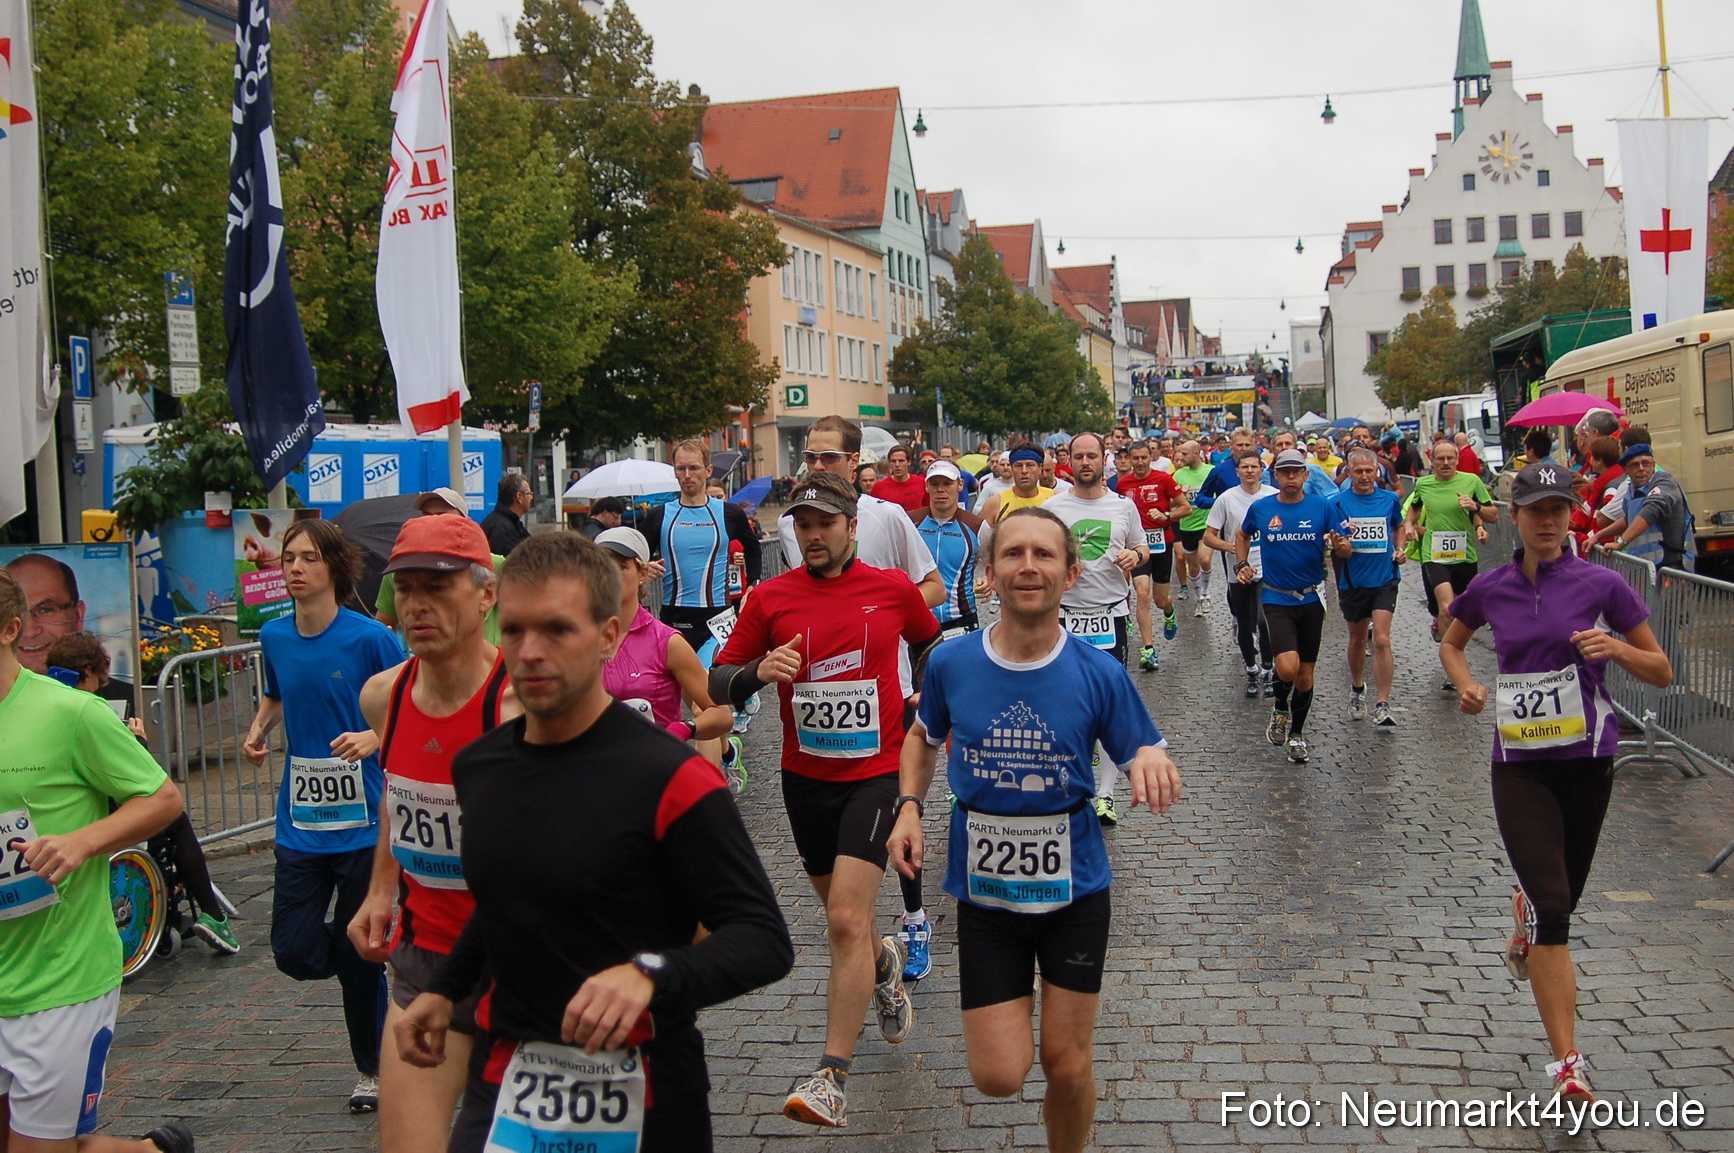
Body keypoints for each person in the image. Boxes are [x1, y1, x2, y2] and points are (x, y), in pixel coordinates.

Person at [394, 533, 794, 1153]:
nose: (529, 652)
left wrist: (648, 975)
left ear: (607, 636)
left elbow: (763, 941)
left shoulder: (674, 779)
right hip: (508, 1078)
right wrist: (445, 989)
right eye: (517, 629)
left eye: (557, 630)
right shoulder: (481, 767)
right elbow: (504, 903)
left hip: (646, 1088)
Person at [886, 508, 1181, 1153]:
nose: (1028, 566)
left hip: (1075, 893)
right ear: (988, 573)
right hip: (986, 897)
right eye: (1013, 554)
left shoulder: (1097, 671)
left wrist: (1151, 756)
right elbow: (921, 737)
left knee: (1068, 1064)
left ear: (1071, 573)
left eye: (1044, 555)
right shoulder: (951, 663)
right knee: (998, 1076)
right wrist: (909, 806)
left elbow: (1141, 746)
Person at [711, 474, 942, 1129]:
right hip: (805, 780)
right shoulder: (771, 597)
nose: (811, 534)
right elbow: (717, 679)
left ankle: (830, 1077)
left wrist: (928, 691)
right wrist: (759, 671)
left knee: (844, 917)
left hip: (876, 772)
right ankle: (884, 964)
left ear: (850, 526)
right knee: (851, 923)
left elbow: (928, 643)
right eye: (802, 523)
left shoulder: (891, 587)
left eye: (823, 523)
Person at [1440, 462, 1673, 1106]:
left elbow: (1661, 670)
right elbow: (1452, 641)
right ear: (1513, 517)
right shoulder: (1492, 588)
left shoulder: (1601, 583)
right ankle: (1568, 1062)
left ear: (1572, 517)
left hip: (1588, 760)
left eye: (1559, 510)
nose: (1547, 521)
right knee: (1553, 908)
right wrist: (1465, 685)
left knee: (1562, 898)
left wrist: (1616, 649)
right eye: (1536, 510)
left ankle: (1529, 913)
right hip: (1519, 765)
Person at [0, 571, 196, 1153]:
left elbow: (163, 798)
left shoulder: (71, 714)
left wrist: (83, 841)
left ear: (11, 629)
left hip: (59, 980)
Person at [344, 515, 520, 1153]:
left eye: (437, 588)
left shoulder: (523, 708)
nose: (417, 605)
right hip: (425, 962)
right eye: (407, 589)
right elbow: (401, 792)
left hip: (522, 972)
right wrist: (380, 889)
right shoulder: (382, 697)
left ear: (485, 595)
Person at [242, 519, 406, 1113]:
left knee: (358, 957)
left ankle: (373, 1070)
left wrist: (371, 736)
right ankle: (366, 956)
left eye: (309, 558)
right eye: (288, 557)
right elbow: (279, 691)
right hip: (301, 823)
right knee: (293, 950)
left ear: (333, 568)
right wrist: (260, 728)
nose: (295, 567)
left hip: (365, 823)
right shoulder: (273, 635)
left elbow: (409, 700)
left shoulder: (369, 639)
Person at [44, 633, 238, 955]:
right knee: (173, 819)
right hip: (96, 820)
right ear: (89, 671)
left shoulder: (38, 699)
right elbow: (132, 781)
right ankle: (214, 915)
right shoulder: (86, 707)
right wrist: (138, 744)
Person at [1034, 434, 1146, 825]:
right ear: (1068, 461)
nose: (1085, 462)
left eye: (1091, 456)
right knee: (1061, 702)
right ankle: (1068, 783)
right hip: (1064, 616)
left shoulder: (1123, 505)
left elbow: (1143, 546)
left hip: (1110, 615)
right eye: (1077, 456)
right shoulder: (1053, 508)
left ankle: (1105, 794)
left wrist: (1135, 554)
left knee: (1107, 703)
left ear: (1104, 459)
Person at [594, 527, 739, 782]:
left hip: (657, 777)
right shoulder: (579, 638)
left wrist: (683, 729)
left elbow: (720, 714)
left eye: (620, 566)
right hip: (598, 776)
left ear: (642, 574)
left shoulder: (666, 642)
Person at [1236, 449, 1352, 764]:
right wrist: (1241, 563)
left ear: (1305, 475)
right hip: (1275, 596)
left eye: (1296, 472)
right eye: (1284, 472)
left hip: (1312, 597)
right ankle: (1280, 708)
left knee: (1305, 676)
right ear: (1275, 475)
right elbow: (1242, 534)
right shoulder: (1262, 508)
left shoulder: (1323, 507)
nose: (1290, 477)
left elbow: (1346, 547)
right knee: (1287, 667)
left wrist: (1341, 546)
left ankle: (1297, 734)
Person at [640, 441, 763, 659]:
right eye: (681, 468)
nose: (687, 474)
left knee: (713, 684)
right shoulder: (660, 515)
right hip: (675, 615)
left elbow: (753, 547)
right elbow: (637, 559)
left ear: (708, 471)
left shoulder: (729, 514)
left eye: (694, 468)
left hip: (718, 617)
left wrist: (753, 583)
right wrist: (643, 568)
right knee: (685, 690)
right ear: (675, 472)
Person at [1328, 449, 1407, 727]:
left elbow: (1399, 527)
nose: (1364, 476)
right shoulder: (1337, 503)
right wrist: (1338, 544)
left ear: (1377, 472)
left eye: (1369, 471)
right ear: (1348, 473)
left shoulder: (1388, 500)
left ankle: (1383, 703)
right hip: (1353, 581)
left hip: (1385, 578)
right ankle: (1358, 687)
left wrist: (1400, 549)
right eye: (1358, 471)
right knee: (1358, 639)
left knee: (1382, 639)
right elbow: (1333, 542)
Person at [1406, 438, 1497, 678]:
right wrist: (1409, 524)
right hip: (1434, 555)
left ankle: (1454, 649)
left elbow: (1494, 514)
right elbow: (1414, 507)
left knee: (1460, 611)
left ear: (1457, 460)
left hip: (1464, 556)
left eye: (1450, 458)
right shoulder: (1423, 484)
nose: (1446, 463)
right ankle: (1453, 667)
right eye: (1440, 459)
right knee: (1446, 608)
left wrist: (1474, 506)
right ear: (1432, 461)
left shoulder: (1472, 481)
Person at [375, 488, 506, 644]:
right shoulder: (399, 568)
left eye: (437, 587)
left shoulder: (494, 565)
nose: (416, 606)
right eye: (427, 515)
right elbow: (384, 624)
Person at [1202, 449, 1277, 698]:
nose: (1249, 471)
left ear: (1261, 470)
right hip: (1239, 570)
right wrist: (1230, 546)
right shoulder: (1226, 499)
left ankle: (1268, 667)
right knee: (1245, 624)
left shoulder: (1273, 496)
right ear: (1237, 472)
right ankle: (1251, 669)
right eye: (1244, 467)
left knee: (1265, 621)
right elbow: (1209, 537)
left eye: (1254, 467)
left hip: (1268, 568)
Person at [2, 555, 127, 699]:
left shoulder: (110, 702)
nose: (30, 631)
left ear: (78, 614)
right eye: (19, 613)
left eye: (46, 610)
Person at [1118, 438, 1188, 670]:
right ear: (1129, 459)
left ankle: (1169, 610)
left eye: (1143, 458)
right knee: (1143, 593)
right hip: (1138, 547)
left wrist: (1167, 516)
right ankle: (1148, 650)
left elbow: (1186, 508)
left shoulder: (1163, 479)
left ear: (1151, 457)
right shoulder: (1123, 483)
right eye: (1135, 458)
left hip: (1161, 545)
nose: (1139, 462)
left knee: (1159, 599)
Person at [909, 460, 984, 637]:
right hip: (920, 617)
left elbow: (998, 563)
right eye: (934, 484)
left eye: (947, 483)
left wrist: (989, 580)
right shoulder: (909, 522)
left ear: (960, 485)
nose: (940, 490)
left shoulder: (977, 526)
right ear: (926, 487)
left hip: (962, 619)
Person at [1594, 442, 1696, 573]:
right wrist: (1598, 536)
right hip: (1646, 569)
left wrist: (1621, 542)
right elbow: (1628, 519)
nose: (1641, 468)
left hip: (1671, 567)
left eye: (1646, 463)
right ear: (1626, 471)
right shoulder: (1631, 489)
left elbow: (1651, 511)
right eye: (1635, 465)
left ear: (1653, 466)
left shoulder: (1664, 482)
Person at [1168, 439, 1215, 613]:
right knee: (1193, 567)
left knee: (1205, 559)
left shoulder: (1211, 471)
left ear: (1196, 453)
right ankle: (1199, 597)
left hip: (1207, 524)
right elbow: (1170, 504)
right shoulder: (1179, 475)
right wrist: (1181, 495)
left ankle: (1206, 594)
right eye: (1180, 453)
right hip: (1187, 526)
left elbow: (1220, 498)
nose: (1181, 456)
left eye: (1185, 453)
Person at [977, 443, 1055, 525]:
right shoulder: (995, 504)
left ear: (1040, 468)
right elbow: (981, 536)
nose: (1024, 471)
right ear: (1012, 468)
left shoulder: (1054, 499)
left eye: (1030, 465)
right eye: (1018, 466)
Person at [480, 474, 533, 557]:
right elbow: (514, 563)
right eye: (529, 493)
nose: (531, 497)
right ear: (519, 497)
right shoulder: (502, 529)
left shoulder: (511, 522)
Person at [871, 443, 927, 513]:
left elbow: (928, 509)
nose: (897, 465)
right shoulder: (879, 487)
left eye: (901, 461)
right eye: (893, 461)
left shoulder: (922, 483)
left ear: (909, 462)